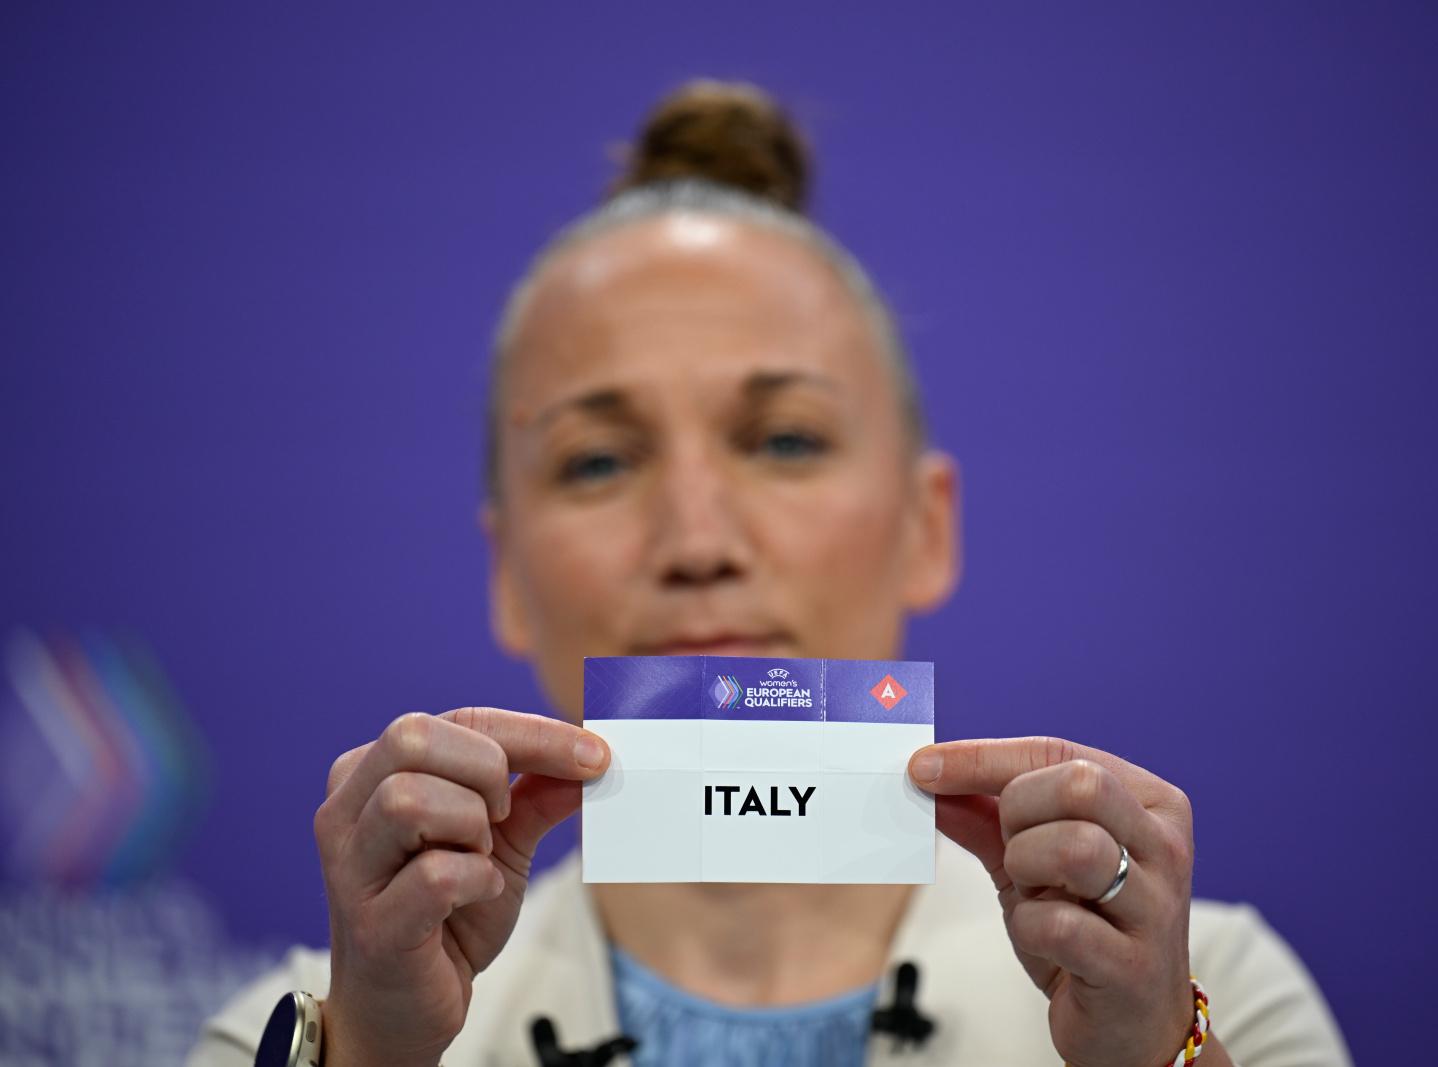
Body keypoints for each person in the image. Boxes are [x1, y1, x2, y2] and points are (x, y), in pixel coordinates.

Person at [189, 80, 1351, 1067]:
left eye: (786, 439)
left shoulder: (1213, 989)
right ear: (507, 571)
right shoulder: (305, 1028)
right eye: (597, 460)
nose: (698, 538)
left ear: (924, 525)